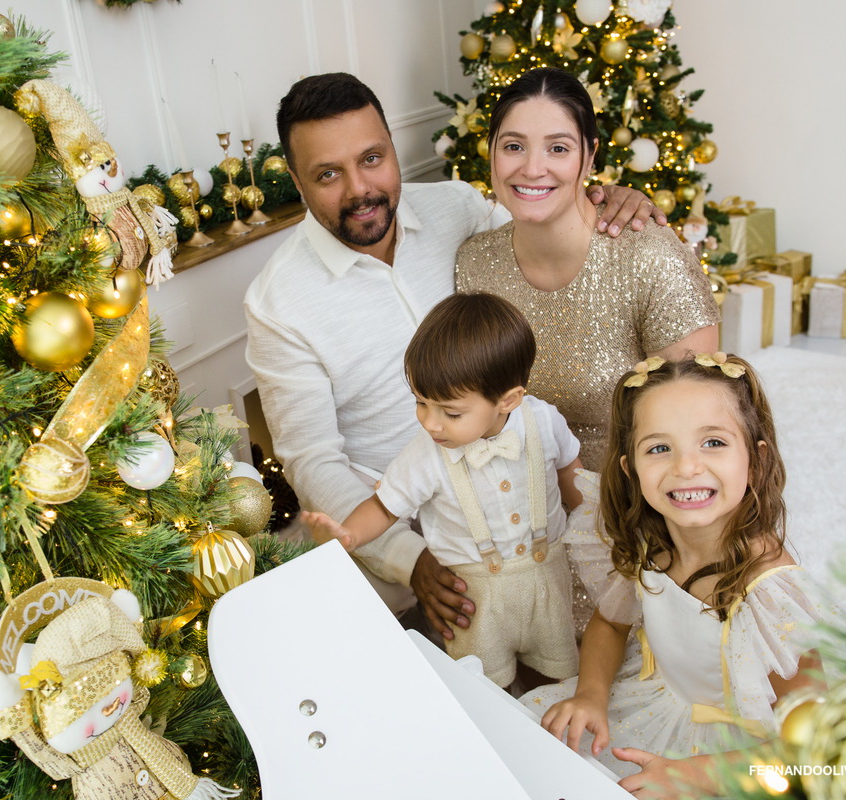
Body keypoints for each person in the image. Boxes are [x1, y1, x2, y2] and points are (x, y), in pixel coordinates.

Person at [244, 72, 663, 640]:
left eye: (373, 158)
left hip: (518, 485)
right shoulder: (279, 301)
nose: (359, 189)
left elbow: (543, 234)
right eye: (327, 175)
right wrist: (409, 559)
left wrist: (603, 197)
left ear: (393, 146)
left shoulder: (456, 209)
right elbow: (311, 458)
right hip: (406, 521)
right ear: (295, 180)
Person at [523, 353, 842, 798]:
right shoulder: (645, 543)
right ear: (630, 469)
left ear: (756, 458)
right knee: (535, 755)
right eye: (659, 448)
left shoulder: (772, 593)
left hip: (742, 759)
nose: (686, 466)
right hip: (656, 705)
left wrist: (691, 775)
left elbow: (817, 743)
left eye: (713, 442)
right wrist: (592, 693)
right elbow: (610, 624)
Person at [301, 293, 583, 688]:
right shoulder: (426, 453)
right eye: (420, 403)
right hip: (474, 598)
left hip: (547, 587)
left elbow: (571, 469)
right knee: (485, 689)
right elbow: (384, 508)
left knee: (556, 678)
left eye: (450, 413)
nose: (431, 424)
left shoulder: (542, 421)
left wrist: (594, 520)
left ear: (508, 400)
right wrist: (347, 535)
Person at [456, 68, 721, 472]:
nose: (532, 168)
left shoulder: (647, 255)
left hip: (632, 500)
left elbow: (699, 424)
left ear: (590, 155)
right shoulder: (474, 263)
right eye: (513, 146)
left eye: (558, 149)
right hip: (514, 500)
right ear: (490, 152)